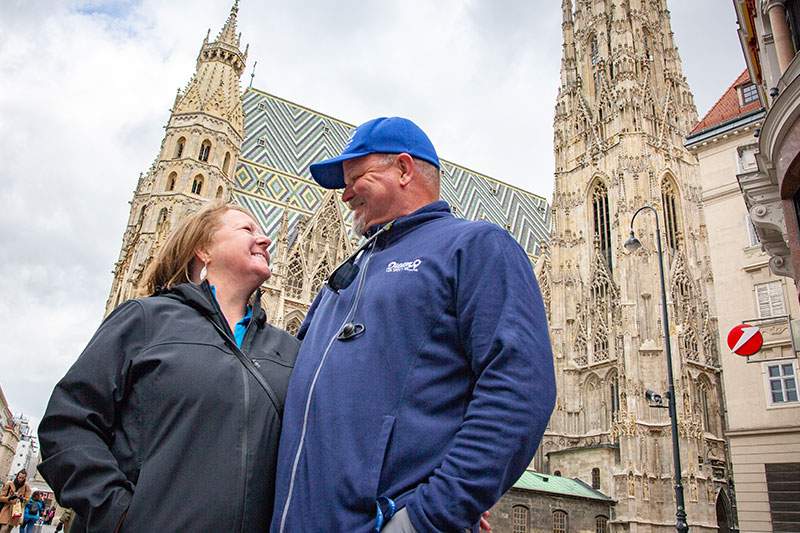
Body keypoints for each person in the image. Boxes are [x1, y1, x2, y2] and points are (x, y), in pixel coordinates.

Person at [271, 117, 556, 532]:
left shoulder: (475, 247)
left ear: (404, 170)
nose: (345, 194)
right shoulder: (347, 273)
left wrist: (429, 517)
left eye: (357, 178)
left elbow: (520, 389)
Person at [38, 201, 299, 532]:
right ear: (203, 249)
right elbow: (68, 422)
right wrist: (117, 515)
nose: (266, 239)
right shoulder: (148, 320)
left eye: (264, 232)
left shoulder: (288, 349)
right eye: (247, 229)